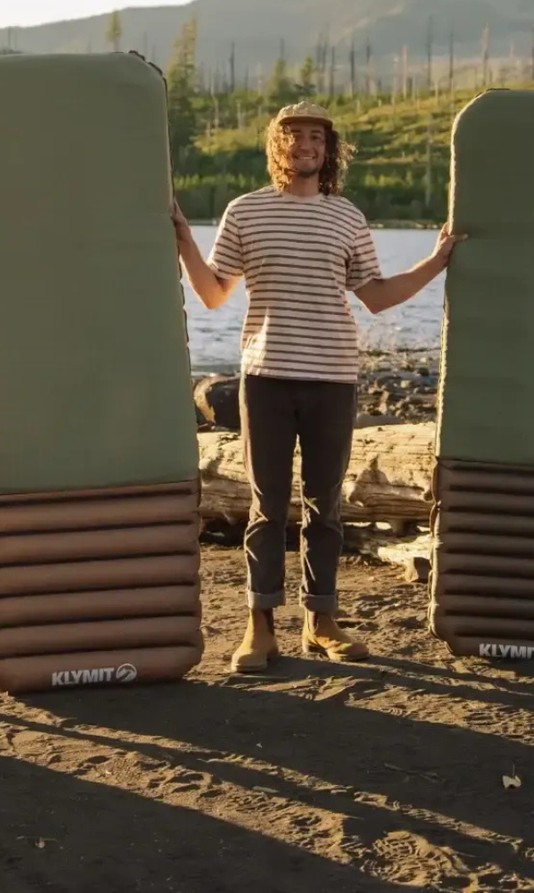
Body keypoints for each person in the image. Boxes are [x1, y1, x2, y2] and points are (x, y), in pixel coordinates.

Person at [172, 101, 462, 673]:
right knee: (266, 506)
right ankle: (260, 627)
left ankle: (321, 621)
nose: (305, 144)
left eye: (315, 137)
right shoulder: (246, 211)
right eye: (293, 135)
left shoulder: (347, 217)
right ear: (276, 146)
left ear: (328, 152)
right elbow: (213, 294)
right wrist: (184, 241)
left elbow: (375, 296)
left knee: (325, 505)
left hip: (333, 377)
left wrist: (436, 260)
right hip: (266, 378)